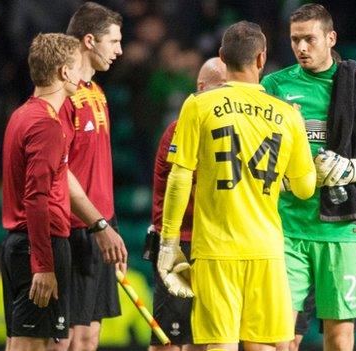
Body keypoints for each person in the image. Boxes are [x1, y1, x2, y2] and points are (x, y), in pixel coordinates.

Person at [156, 21, 316, 351]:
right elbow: (305, 189)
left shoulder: (197, 105)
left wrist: (169, 241)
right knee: (266, 346)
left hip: (216, 251)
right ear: (261, 59)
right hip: (267, 250)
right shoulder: (288, 115)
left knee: (218, 346)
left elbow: (179, 178)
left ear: (221, 57)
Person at [261, 4, 356, 350]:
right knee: (280, 334)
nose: (301, 48)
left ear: (331, 38)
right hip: (288, 228)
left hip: (344, 229)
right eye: (295, 40)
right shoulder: (274, 86)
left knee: (340, 334)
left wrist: (355, 168)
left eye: (310, 39)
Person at [1, 33, 81, 351]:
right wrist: (43, 265)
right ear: (63, 72)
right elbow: (36, 198)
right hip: (38, 246)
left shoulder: (22, 114)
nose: (80, 77)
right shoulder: (47, 125)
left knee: (29, 341)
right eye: (76, 68)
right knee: (30, 344)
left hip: (21, 244)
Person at [54, 2, 127, 350]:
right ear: (89, 40)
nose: (119, 50)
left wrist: (106, 225)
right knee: (65, 337)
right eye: (113, 41)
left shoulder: (96, 92)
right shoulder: (60, 94)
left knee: (89, 334)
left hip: (100, 227)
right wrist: (99, 225)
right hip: (72, 230)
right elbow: (58, 169)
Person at [147, 57, 226, 351]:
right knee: (169, 341)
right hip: (180, 243)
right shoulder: (180, 130)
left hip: (213, 245)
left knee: (205, 339)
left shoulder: (225, 132)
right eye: (219, 89)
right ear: (200, 88)